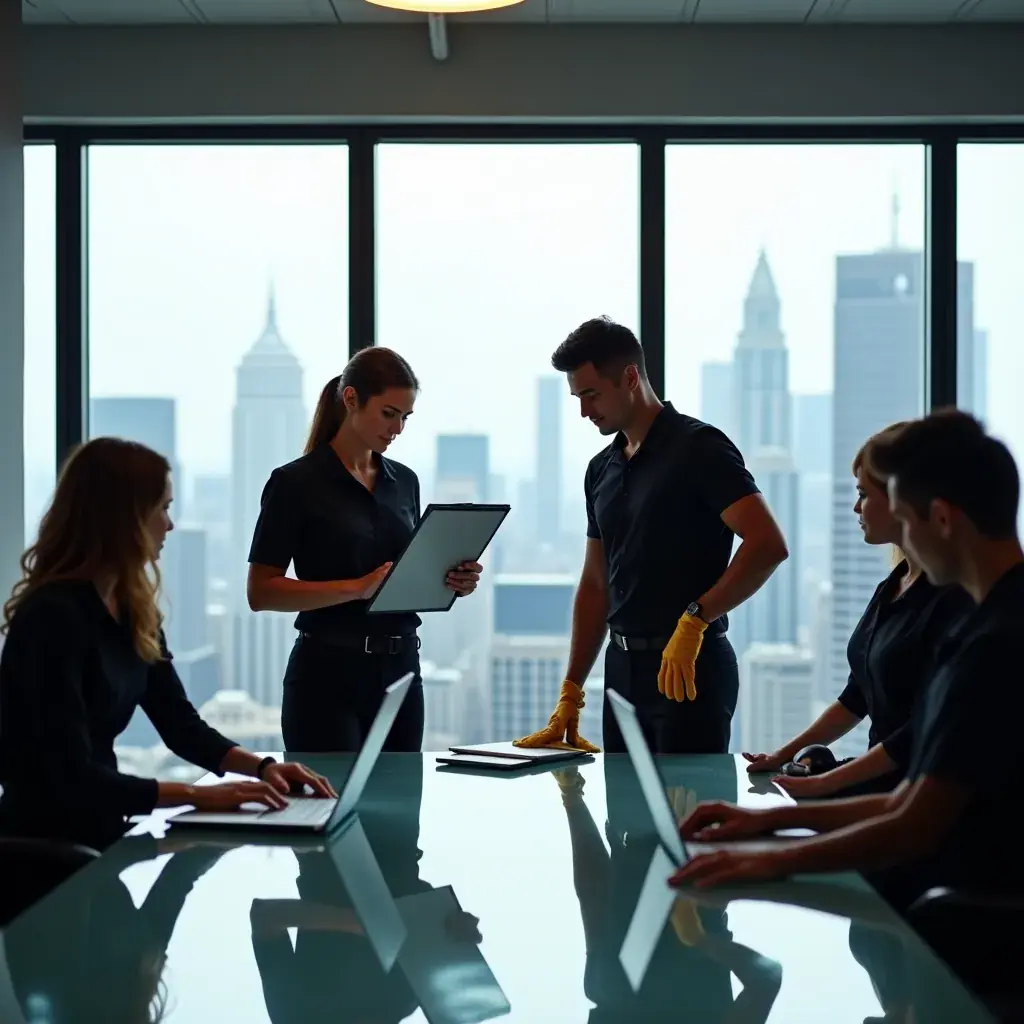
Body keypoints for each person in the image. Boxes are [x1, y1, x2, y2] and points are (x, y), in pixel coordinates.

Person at [670, 411, 1024, 917]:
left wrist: (772, 860)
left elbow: (914, 822)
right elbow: (909, 801)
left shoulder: (994, 643)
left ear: (942, 520)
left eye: (905, 518)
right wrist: (767, 824)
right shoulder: (990, 621)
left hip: (969, 914)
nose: (902, 536)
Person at [0, 438, 333, 854]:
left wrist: (263, 768)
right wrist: (197, 796)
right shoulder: (51, 618)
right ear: (124, 518)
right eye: (163, 508)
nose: (170, 525)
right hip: (46, 847)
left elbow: (179, 725)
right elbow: (67, 774)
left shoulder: (132, 608)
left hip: (103, 830)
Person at [515, 317, 788, 755]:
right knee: (623, 817)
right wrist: (572, 689)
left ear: (629, 377)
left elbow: (768, 544)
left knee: (687, 819)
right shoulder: (600, 470)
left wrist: (697, 617)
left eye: (591, 394)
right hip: (621, 673)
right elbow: (595, 583)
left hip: (690, 669)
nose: (584, 411)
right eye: (577, 398)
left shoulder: (700, 448)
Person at [247, 347, 482, 754]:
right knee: (330, 810)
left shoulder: (404, 482)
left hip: (402, 672)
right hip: (327, 675)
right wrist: (356, 588)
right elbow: (261, 591)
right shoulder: (294, 484)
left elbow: (405, 576)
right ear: (351, 399)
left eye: (405, 417)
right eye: (389, 413)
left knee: (402, 813)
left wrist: (452, 581)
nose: (398, 428)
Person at [744, 423, 972, 799]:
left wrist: (827, 783)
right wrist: (782, 756)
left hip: (909, 792)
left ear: (902, 499)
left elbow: (914, 737)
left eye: (864, 494)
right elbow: (857, 697)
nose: (855, 506)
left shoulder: (952, 600)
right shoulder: (893, 585)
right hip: (880, 786)